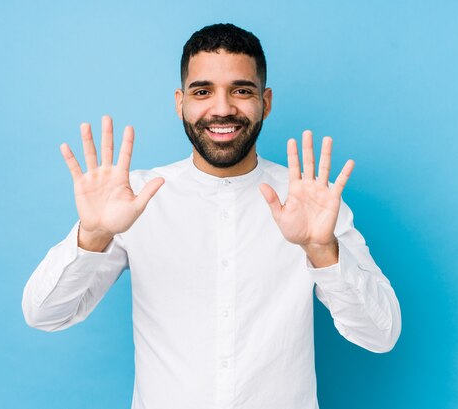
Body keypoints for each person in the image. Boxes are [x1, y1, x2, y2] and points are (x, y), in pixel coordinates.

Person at [22, 23, 401, 409]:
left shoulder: (313, 202)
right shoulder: (131, 200)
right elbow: (45, 314)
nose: (222, 108)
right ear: (180, 102)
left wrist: (322, 250)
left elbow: (380, 334)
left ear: (266, 102)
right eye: (202, 91)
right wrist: (94, 235)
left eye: (241, 90)